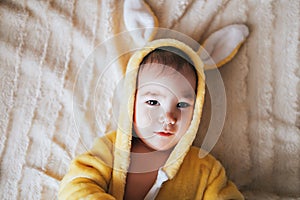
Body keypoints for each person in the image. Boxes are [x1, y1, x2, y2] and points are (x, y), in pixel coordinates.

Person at [58, 39, 244, 200]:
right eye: (153, 102)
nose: (169, 117)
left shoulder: (206, 170)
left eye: (182, 105)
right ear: (131, 102)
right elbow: (75, 187)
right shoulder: (109, 151)